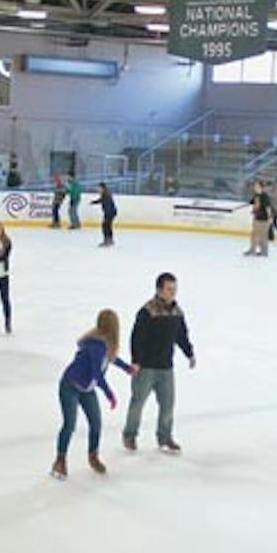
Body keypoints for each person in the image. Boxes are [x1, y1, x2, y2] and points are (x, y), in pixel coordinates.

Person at [52, 309, 133, 480]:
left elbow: (112, 358)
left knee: (96, 423)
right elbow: (97, 373)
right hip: (70, 386)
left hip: (86, 389)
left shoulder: (105, 343)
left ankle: (93, 455)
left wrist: (127, 368)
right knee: (70, 424)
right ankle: (60, 459)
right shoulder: (96, 344)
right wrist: (109, 393)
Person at [122, 273, 195, 456]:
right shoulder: (147, 311)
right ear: (159, 290)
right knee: (137, 403)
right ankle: (129, 435)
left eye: (175, 289)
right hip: (145, 367)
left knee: (168, 405)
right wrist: (136, 361)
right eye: (169, 289)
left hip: (166, 367)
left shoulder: (176, 312)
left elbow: (181, 335)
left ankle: (165, 437)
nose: (173, 293)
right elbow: (137, 338)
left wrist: (189, 353)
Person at [244, 179, 273, 257]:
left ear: (260, 187)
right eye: (254, 186)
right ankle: (252, 250)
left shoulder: (264, 196)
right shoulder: (256, 195)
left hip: (264, 219)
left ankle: (264, 252)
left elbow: (268, 208)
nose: (254, 187)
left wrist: (270, 217)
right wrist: (253, 210)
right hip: (256, 218)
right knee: (254, 235)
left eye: (256, 186)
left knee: (262, 236)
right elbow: (253, 203)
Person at [93, 182, 117, 247]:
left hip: (109, 212)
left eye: (98, 188)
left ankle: (107, 240)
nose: (97, 189)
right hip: (111, 212)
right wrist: (95, 202)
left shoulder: (106, 194)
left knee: (105, 226)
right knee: (108, 226)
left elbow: (107, 204)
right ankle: (110, 239)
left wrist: (107, 214)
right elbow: (102, 200)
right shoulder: (105, 193)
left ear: (102, 188)